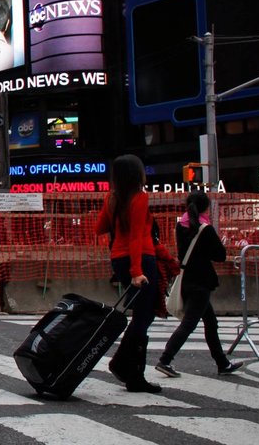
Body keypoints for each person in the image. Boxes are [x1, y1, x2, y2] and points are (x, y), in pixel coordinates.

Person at [155, 191, 242, 378]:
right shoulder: (205, 229)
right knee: (189, 323)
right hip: (201, 282)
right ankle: (165, 359)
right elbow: (219, 254)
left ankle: (222, 363)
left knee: (211, 321)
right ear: (205, 208)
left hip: (186, 278)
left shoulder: (180, 225)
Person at [95, 154, 162, 393]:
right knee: (144, 315)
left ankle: (126, 366)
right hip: (141, 259)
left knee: (142, 315)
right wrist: (137, 271)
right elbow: (135, 236)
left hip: (119, 259)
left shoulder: (111, 198)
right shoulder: (140, 198)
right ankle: (129, 370)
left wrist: (114, 214)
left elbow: (99, 228)